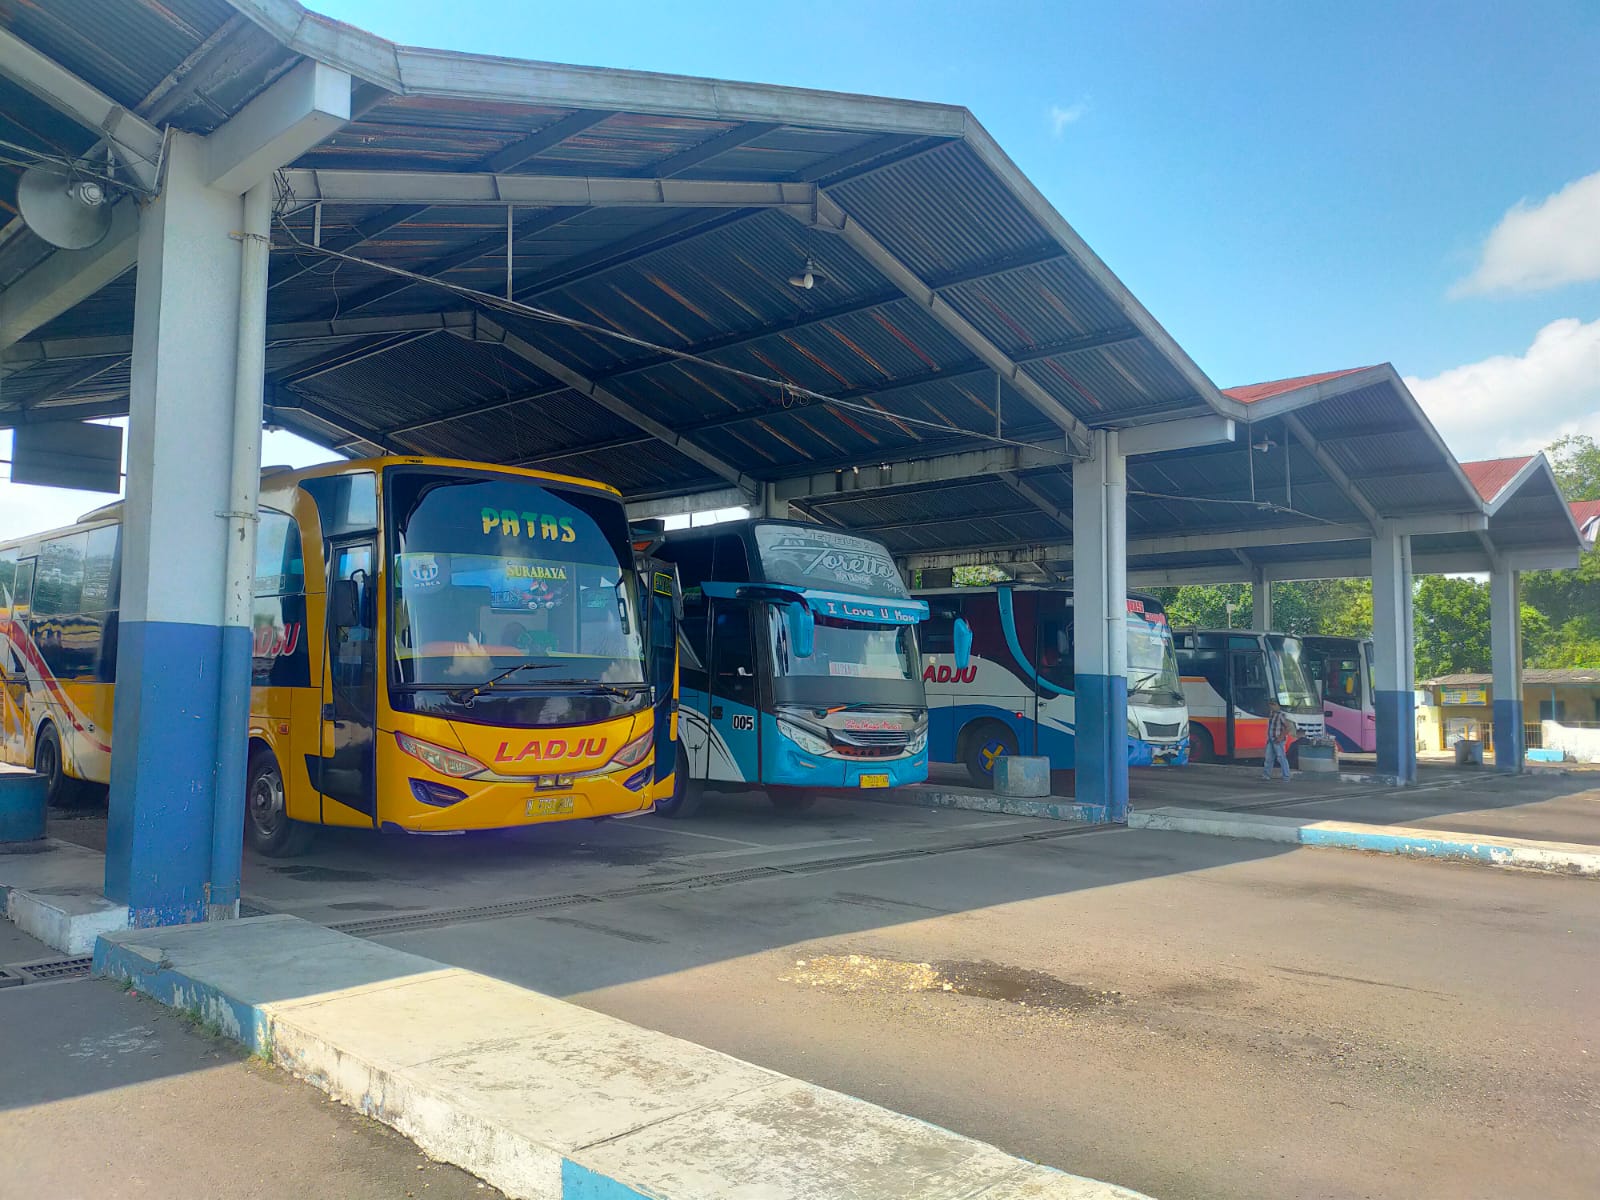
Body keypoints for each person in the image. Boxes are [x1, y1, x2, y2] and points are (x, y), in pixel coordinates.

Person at [1262, 700, 1292, 782]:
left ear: (1278, 706)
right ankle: (1266, 775)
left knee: (1281, 758)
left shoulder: (1281, 715)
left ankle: (1286, 776)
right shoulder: (1271, 714)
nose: (1272, 706)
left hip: (1278, 740)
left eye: (1274, 704)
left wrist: (1281, 737)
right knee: (1268, 758)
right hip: (1271, 740)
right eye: (1270, 704)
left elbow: (1288, 727)